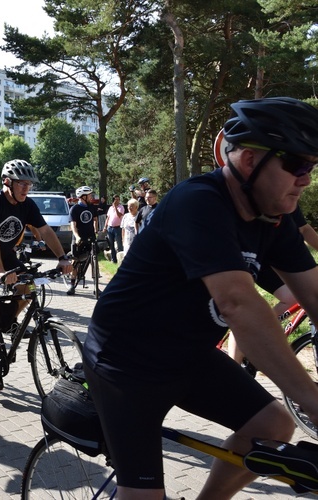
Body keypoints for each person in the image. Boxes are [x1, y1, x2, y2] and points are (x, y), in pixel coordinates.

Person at [82, 97, 318, 498]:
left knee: (273, 426)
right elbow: (238, 304)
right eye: (297, 165)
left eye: (312, 168)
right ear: (248, 161)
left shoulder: (271, 217)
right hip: (126, 364)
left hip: (186, 356)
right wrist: (314, 402)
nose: (307, 179)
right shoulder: (198, 202)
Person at [0, 159, 72, 391]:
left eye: (29, 184)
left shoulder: (27, 205)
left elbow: (45, 231)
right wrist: (1, 272)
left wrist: (62, 258)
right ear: (7, 182)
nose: (26, 188)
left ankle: (7, 320)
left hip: (5, 254)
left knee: (29, 286)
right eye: (21, 183)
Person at [228, 204, 318, 363]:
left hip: (273, 259)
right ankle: (233, 367)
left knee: (294, 297)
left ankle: (259, 328)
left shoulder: (288, 198)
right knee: (244, 306)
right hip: (249, 255)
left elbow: (304, 230)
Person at [66, 186, 97, 295]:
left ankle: (96, 285)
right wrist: (77, 237)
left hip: (90, 237)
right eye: (89, 195)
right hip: (79, 238)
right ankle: (72, 285)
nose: (91, 197)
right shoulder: (75, 209)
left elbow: (95, 220)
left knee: (94, 259)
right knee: (76, 261)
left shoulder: (91, 207)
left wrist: (96, 230)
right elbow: (73, 225)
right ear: (83, 197)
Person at [103, 194, 124, 264]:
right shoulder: (110, 208)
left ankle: (121, 260)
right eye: (116, 199)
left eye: (118, 199)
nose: (117, 201)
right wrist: (105, 227)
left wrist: (115, 207)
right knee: (111, 244)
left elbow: (119, 215)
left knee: (119, 244)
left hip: (118, 228)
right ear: (113, 200)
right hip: (110, 228)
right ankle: (113, 259)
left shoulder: (121, 207)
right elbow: (108, 218)